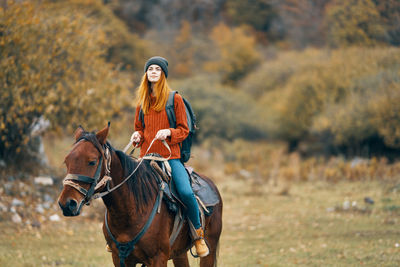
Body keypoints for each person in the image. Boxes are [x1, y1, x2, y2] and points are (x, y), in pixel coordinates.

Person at [130, 56, 209, 257]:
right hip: (146, 159)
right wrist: (137, 135)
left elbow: (185, 130)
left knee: (186, 192)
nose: (154, 72)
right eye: (150, 69)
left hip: (170, 157)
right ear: (146, 74)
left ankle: (198, 235)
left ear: (163, 74)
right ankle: (119, 235)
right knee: (125, 190)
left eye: (158, 69)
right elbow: (140, 129)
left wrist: (169, 133)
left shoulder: (175, 100)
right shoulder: (142, 103)